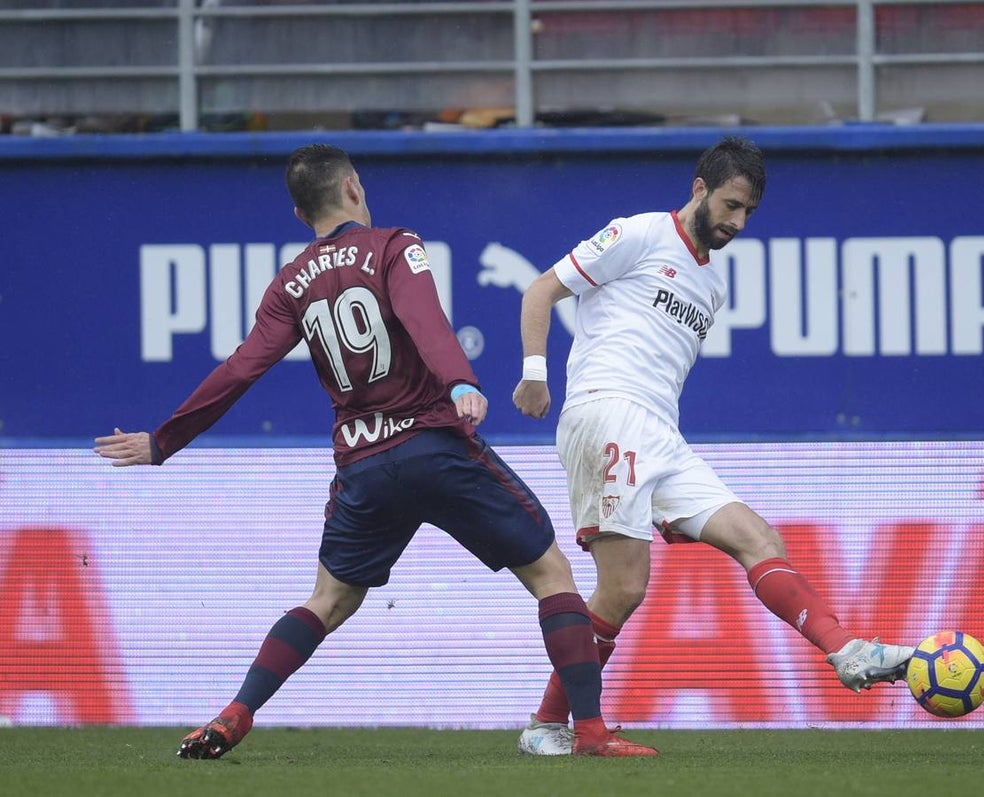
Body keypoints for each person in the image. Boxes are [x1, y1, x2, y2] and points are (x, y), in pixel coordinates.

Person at [94, 143, 657, 760]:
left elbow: (240, 368)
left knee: (328, 601)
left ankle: (234, 714)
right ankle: (590, 732)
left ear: (299, 212)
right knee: (551, 575)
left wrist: (164, 440)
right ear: (354, 187)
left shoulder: (290, 285)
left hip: (363, 467)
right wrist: (460, 381)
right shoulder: (393, 245)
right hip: (434, 445)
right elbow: (424, 318)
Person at [511, 136, 916, 755]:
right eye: (730, 205)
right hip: (607, 413)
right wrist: (535, 375)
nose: (737, 222)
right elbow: (540, 291)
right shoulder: (639, 233)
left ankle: (847, 651)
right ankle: (556, 727)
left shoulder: (712, 287)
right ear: (700, 187)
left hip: (662, 435)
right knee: (622, 588)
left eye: (748, 212)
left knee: (759, 538)